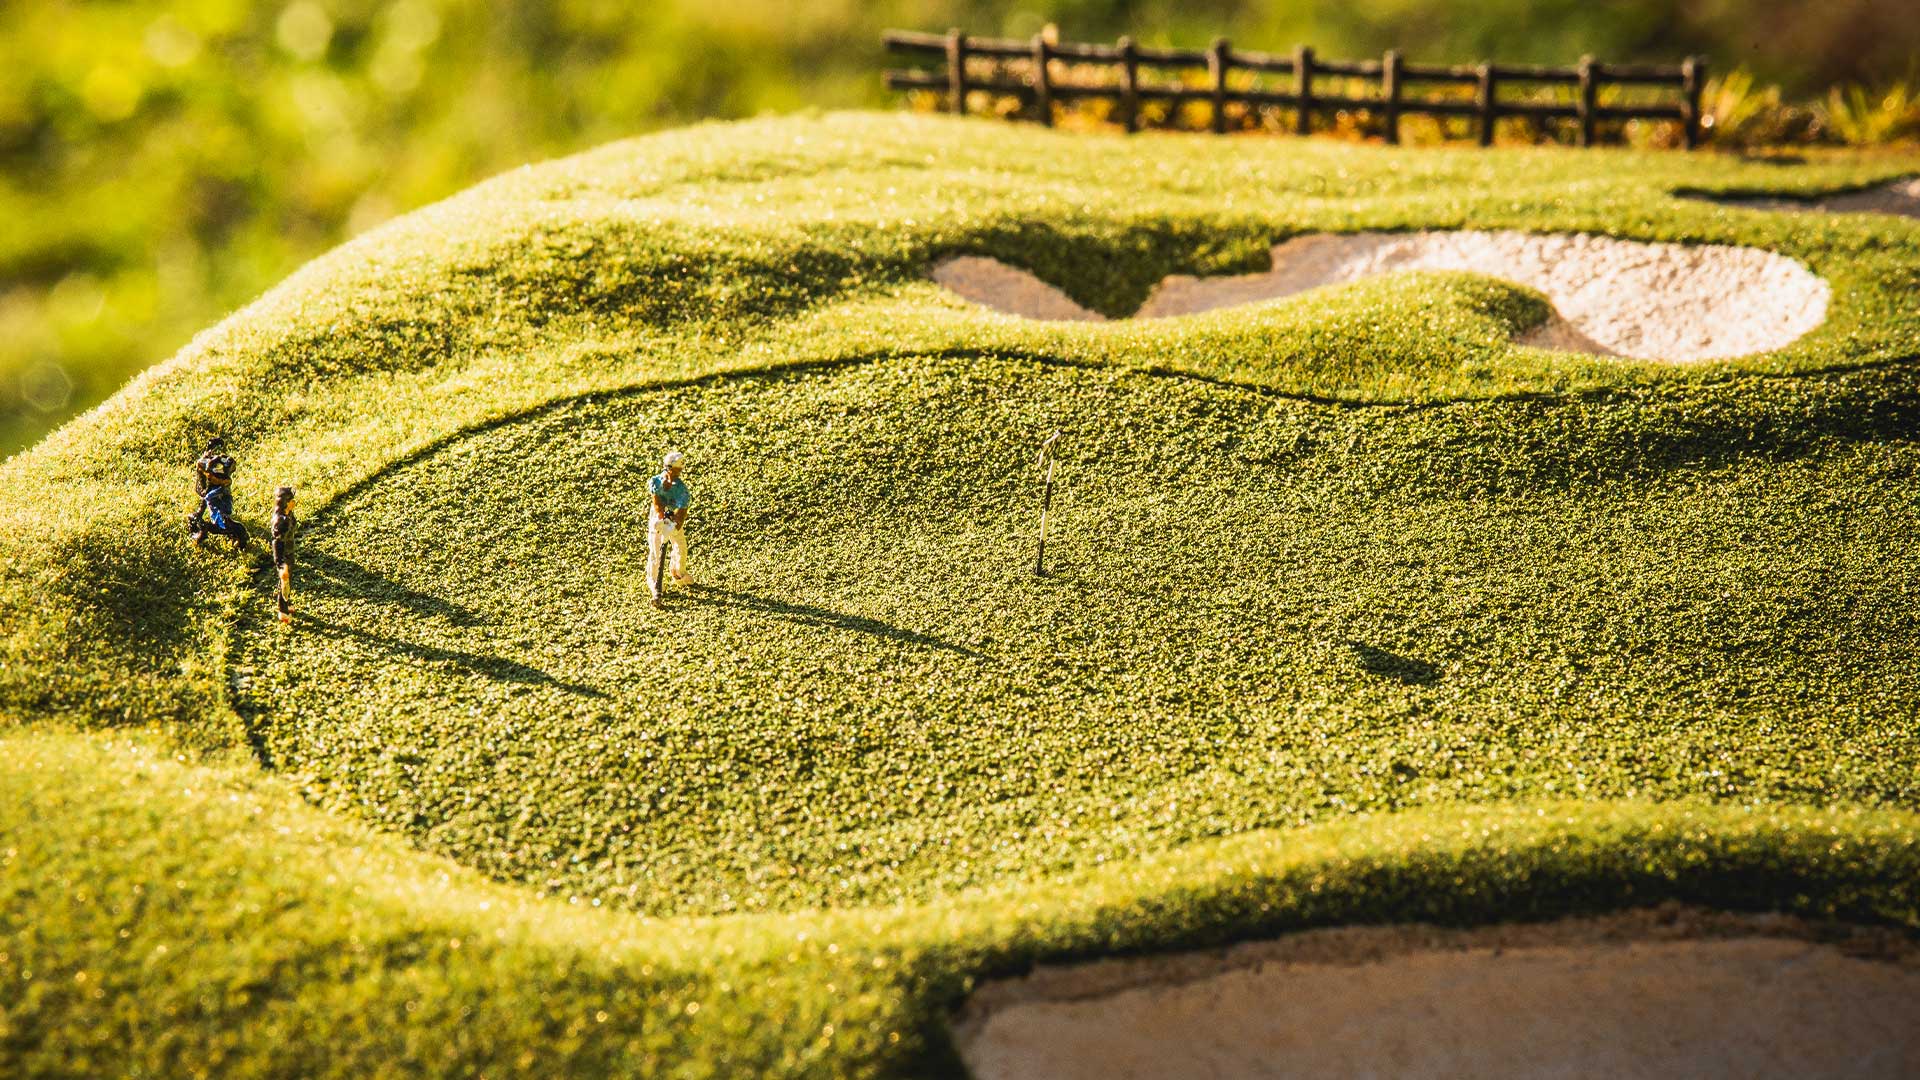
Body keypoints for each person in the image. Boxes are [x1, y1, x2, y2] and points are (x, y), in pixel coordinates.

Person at [648, 450, 693, 608]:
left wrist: (672, 526)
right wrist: (661, 519)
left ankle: (678, 573)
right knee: (656, 550)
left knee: (680, 546)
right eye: (676, 470)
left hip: (673, 518)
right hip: (659, 517)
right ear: (668, 468)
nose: (678, 473)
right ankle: (654, 583)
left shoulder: (682, 490)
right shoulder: (656, 482)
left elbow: (681, 515)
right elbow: (657, 502)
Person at [188, 437, 248, 549]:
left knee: (219, 510)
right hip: (213, 496)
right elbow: (206, 494)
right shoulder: (209, 482)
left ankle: (216, 523)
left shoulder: (223, 484)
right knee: (211, 511)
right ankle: (201, 531)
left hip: (220, 497)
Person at [270, 486, 297, 624]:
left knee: (288, 582)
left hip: (289, 552)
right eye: (292, 500)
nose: (294, 502)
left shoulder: (289, 515)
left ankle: (287, 602)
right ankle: (282, 610)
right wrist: (281, 564)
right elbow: (277, 543)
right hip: (284, 556)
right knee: (284, 583)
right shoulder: (281, 521)